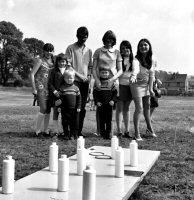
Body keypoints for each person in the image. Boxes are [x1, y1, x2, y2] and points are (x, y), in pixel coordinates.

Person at [92, 30, 123, 137]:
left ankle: (110, 131)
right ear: (104, 39)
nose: (109, 41)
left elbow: (120, 70)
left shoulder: (117, 52)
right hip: (100, 81)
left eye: (111, 39)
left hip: (113, 82)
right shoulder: (98, 51)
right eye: (107, 38)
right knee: (99, 107)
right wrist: (96, 80)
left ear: (114, 40)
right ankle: (99, 130)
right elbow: (94, 68)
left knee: (111, 107)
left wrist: (113, 79)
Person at [65, 26, 92, 137]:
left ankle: (78, 131)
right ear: (77, 36)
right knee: (72, 107)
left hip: (85, 83)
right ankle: (71, 131)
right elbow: (68, 66)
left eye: (85, 37)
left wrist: (89, 76)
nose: (83, 39)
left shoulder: (89, 50)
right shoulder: (70, 48)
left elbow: (90, 66)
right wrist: (80, 76)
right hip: (74, 81)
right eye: (81, 37)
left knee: (82, 108)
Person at [130, 38, 156, 141]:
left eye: (145, 45)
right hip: (136, 84)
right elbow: (135, 69)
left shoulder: (152, 59)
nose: (143, 47)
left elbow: (152, 74)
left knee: (147, 107)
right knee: (139, 108)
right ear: (138, 48)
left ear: (149, 46)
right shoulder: (136, 59)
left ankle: (150, 129)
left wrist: (151, 89)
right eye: (141, 45)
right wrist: (133, 75)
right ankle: (137, 134)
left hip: (146, 85)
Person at [31, 43, 54, 136]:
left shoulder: (53, 62)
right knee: (43, 108)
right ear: (43, 51)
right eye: (47, 50)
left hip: (50, 88)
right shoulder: (40, 60)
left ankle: (46, 130)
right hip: (40, 88)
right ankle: (38, 131)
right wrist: (33, 88)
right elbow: (32, 74)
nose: (49, 52)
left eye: (51, 50)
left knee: (48, 110)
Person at [55, 68, 81, 140]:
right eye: (67, 78)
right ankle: (66, 134)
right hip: (64, 109)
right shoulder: (62, 88)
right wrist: (59, 107)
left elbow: (79, 99)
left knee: (73, 122)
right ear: (64, 78)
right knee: (65, 122)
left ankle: (72, 134)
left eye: (71, 78)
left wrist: (78, 107)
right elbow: (59, 99)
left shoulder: (76, 88)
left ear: (74, 78)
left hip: (74, 109)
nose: (69, 79)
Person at [48, 53, 71, 135]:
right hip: (56, 95)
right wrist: (55, 92)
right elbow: (50, 84)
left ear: (66, 62)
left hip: (66, 95)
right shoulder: (53, 71)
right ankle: (56, 130)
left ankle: (64, 130)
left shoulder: (69, 70)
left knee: (65, 113)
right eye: (60, 61)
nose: (62, 63)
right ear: (57, 62)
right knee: (56, 112)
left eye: (64, 61)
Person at [115, 41, 133, 138]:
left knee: (127, 109)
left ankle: (127, 131)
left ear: (130, 49)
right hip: (120, 85)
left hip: (130, 86)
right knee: (119, 109)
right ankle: (119, 131)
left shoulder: (134, 60)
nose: (125, 50)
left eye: (127, 48)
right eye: (123, 48)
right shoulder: (118, 59)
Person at [93, 67, 117, 139]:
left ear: (109, 73)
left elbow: (115, 93)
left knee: (108, 120)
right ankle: (102, 134)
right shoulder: (97, 82)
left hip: (109, 105)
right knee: (101, 120)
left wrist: (113, 100)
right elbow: (95, 93)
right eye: (102, 73)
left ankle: (108, 134)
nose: (104, 74)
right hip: (101, 105)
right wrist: (97, 102)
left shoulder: (111, 82)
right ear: (99, 73)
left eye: (106, 72)